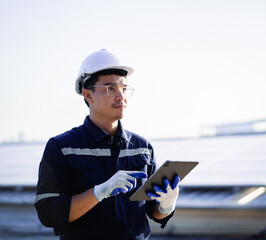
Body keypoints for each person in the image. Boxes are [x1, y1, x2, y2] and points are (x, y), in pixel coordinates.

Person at [35, 49, 179, 240]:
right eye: (111, 88)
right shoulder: (62, 147)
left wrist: (167, 205)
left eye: (124, 88)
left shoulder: (142, 147)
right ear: (88, 95)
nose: (121, 96)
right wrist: (99, 192)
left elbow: (152, 212)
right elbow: (49, 213)